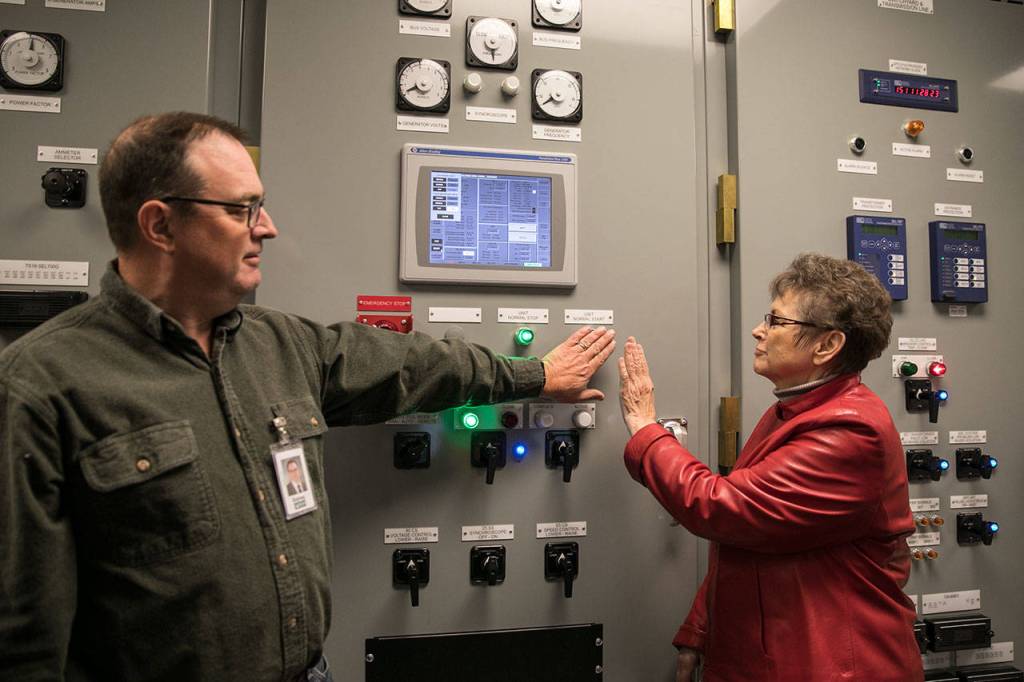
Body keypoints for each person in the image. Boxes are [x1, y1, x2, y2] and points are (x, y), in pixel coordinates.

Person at [0, 112, 616, 682]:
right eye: (242, 209)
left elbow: (415, 367)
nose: (266, 227)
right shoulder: (44, 383)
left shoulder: (281, 344)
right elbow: (23, 634)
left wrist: (534, 375)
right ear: (160, 224)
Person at [618, 253, 922, 682]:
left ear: (827, 345)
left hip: (834, 667)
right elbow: (749, 535)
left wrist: (645, 428)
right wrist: (701, 629)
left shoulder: (851, 429)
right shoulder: (794, 411)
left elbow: (721, 508)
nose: (759, 330)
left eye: (778, 321)